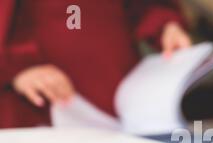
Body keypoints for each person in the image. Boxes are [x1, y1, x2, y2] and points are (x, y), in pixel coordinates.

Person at [0, 0, 192, 128]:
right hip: (36, 105)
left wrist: (166, 26)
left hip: (118, 93)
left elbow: (145, 5)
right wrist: (16, 69)